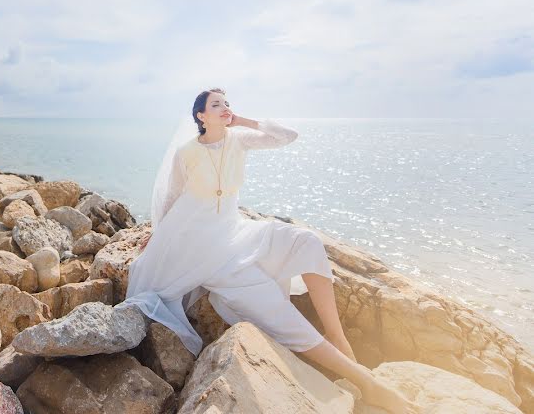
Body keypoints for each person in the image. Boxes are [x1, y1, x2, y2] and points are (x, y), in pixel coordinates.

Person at [116, 88, 416, 413]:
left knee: (308, 242)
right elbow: (171, 199)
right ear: (200, 115)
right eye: (216, 104)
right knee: (276, 310)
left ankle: (335, 335)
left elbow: (288, 135)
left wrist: (241, 120)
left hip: (236, 231)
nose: (225, 108)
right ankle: (367, 384)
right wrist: (157, 233)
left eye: (227, 103)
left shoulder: (239, 139)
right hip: (201, 247)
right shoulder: (186, 152)